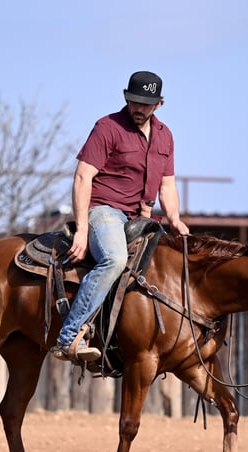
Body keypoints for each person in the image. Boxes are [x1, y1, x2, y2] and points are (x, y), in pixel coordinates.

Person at [51, 70, 189, 362]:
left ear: (159, 104)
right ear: (126, 98)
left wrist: (175, 218)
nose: (138, 108)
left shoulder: (165, 137)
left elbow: (167, 184)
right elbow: (82, 177)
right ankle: (69, 336)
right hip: (105, 210)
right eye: (133, 101)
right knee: (114, 260)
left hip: (143, 217)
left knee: (166, 270)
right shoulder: (108, 127)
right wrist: (82, 230)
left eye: (145, 104)